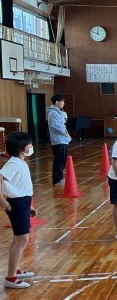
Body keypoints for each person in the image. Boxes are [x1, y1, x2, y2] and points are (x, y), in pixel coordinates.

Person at [0, 132, 37, 289]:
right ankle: (11, 278)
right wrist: (1, 200)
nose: (31, 146)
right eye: (29, 144)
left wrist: (28, 206)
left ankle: (14, 270)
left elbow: (19, 186)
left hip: (22, 202)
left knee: (18, 238)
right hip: (17, 203)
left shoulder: (19, 162)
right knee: (22, 239)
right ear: (22, 147)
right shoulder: (14, 163)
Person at [46, 94, 72, 186]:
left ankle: (60, 178)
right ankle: (57, 179)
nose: (64, 103)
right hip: (59, 140)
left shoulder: (58, 112)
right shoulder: (53, 113)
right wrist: (65, 134)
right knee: (59, 160)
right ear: (57, 102)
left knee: (62, 160)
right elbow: (57, 126)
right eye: (62, 102)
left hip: (62, 140)